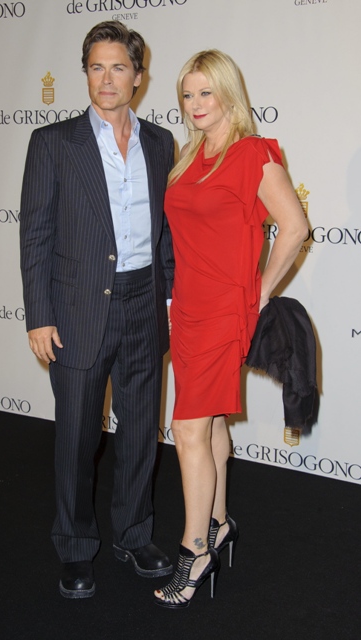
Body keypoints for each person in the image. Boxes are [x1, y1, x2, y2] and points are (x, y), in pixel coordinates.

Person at [20, 21, 174, 599]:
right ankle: (75, 546)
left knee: (139, 432)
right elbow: (35, 235)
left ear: (138, 76)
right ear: (86, 73)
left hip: (144, 304)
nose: (106, 79)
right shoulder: (53, 142)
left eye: (118, 68)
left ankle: (134, 535)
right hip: (78, 309)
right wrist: (39, 314)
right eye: (96, 67)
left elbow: (165, 233)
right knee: (77, 437)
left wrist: (169, 300)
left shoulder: (160, 143)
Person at [154, 50, 308, 608]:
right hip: (188, 309)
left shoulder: (252, 155)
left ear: (228, 94)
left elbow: (295, 227)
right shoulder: (188, 158)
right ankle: (217, 526)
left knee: (187, 430)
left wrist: (258, 291)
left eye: (206, 92)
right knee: (211, 418)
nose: (195, 104)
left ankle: (194, 551)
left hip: (223, 312)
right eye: (187, 94)